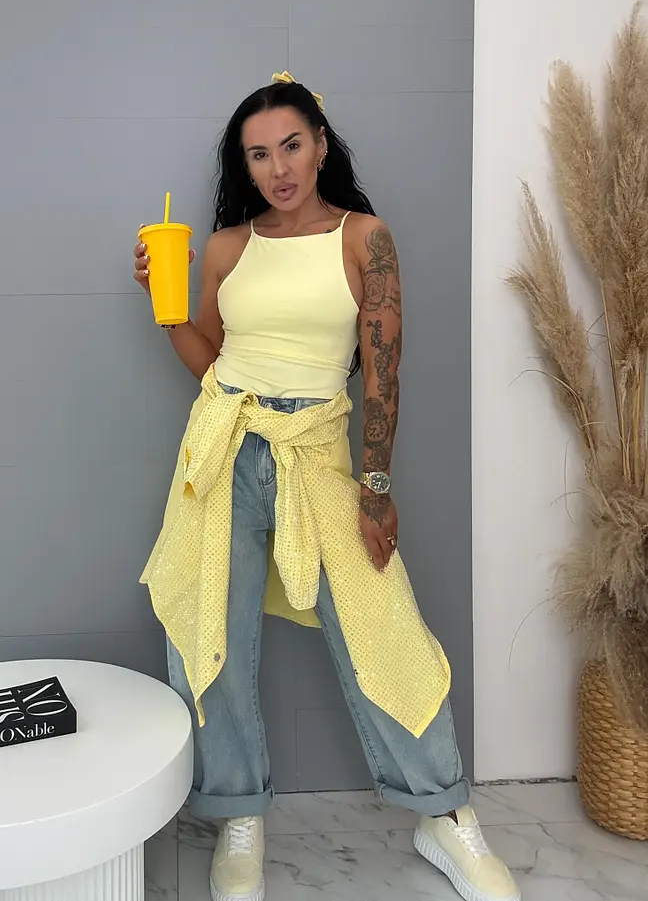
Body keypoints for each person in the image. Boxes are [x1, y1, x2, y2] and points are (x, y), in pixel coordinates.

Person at [134, 72, 520, 901]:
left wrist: (375, 485)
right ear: (244, 165)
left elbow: (383, 372)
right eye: (258, 155)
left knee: (385, 627)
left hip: (316, 454)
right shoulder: (227, 247)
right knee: (212, 633)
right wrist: (165, 308)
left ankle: (444, 815)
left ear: (319, 143)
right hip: (224, 448)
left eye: (291, 146)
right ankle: (239, 813)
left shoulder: (363, 238)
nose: (278, 168)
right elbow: (211, 362)